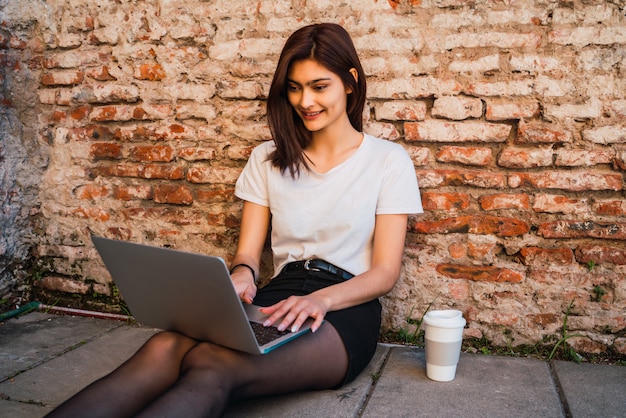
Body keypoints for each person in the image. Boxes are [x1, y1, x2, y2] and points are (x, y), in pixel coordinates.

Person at [47, 22, 422, 417]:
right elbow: (247, 253)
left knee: (211, 366)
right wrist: (243, 274)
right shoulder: (266, 159)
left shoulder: (387, 161)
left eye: (319, 86)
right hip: (278, 297)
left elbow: (384, 273)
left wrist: (320, 300)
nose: (305, 100)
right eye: (294, 88)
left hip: (343, 309)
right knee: (165, 345)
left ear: (350, 82)